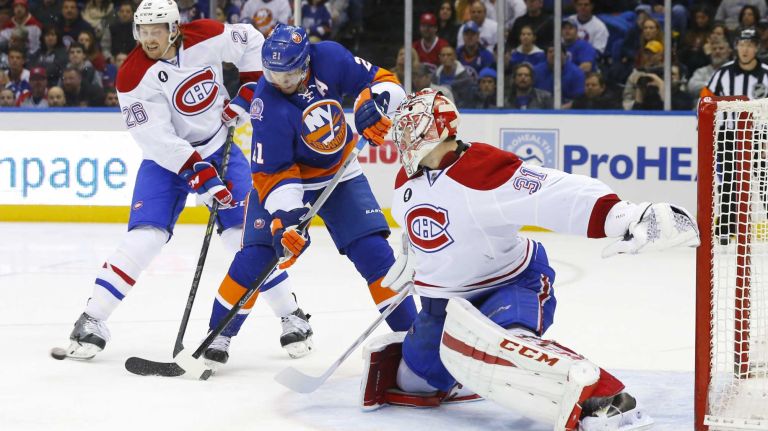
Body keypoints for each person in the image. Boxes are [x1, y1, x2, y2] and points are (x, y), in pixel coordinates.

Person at [359, 88, 700, 430]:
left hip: (509, 284)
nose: (401, 137)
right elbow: (419, 229)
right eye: (400, 129)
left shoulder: (483, 169)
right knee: (414, 382)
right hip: (445, 304)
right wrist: (411, 260)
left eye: (410, 127)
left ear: (439, 127)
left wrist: (624, 215)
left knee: (505, 349)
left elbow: (554, 192)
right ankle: (466, 370)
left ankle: (606, 396)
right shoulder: (407, 180)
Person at [57, 0, 308, 361]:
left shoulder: (205, 34)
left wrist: (250, 89)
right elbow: (155, 138)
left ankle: (292, 316)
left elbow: (252, 41)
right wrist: (196, 170)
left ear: (174, 28)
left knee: (244, 239)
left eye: (156, 29)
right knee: (145, 238)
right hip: (167, 161)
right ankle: (91, 318)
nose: (148, 37)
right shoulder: (131, 75)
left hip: (220, 149)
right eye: (142, 30)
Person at [200, 24, 418, 366]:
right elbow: (275, 171)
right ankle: (220, 334)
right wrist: (286, 221)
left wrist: (377, 106)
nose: (279, 82)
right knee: (256, 258)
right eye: (272, 73)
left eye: (287, 75)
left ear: (306, 63)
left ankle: (413, 338)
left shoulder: (330, 56)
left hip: (340, 175)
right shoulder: (265, 102)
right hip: (285, 181)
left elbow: (384, 81)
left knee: (375, 255)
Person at [702, 27, 768, 245]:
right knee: (729, 181)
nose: (745, 49)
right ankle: (726, 229)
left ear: (756, 48)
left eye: (750, 45)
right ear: (736, 47)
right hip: (729, 136)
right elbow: (706, 100)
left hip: (760, 136)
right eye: (742, 44)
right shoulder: (723, 73)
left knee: (765, 182)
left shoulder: (766, 74)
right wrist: (705, 128)